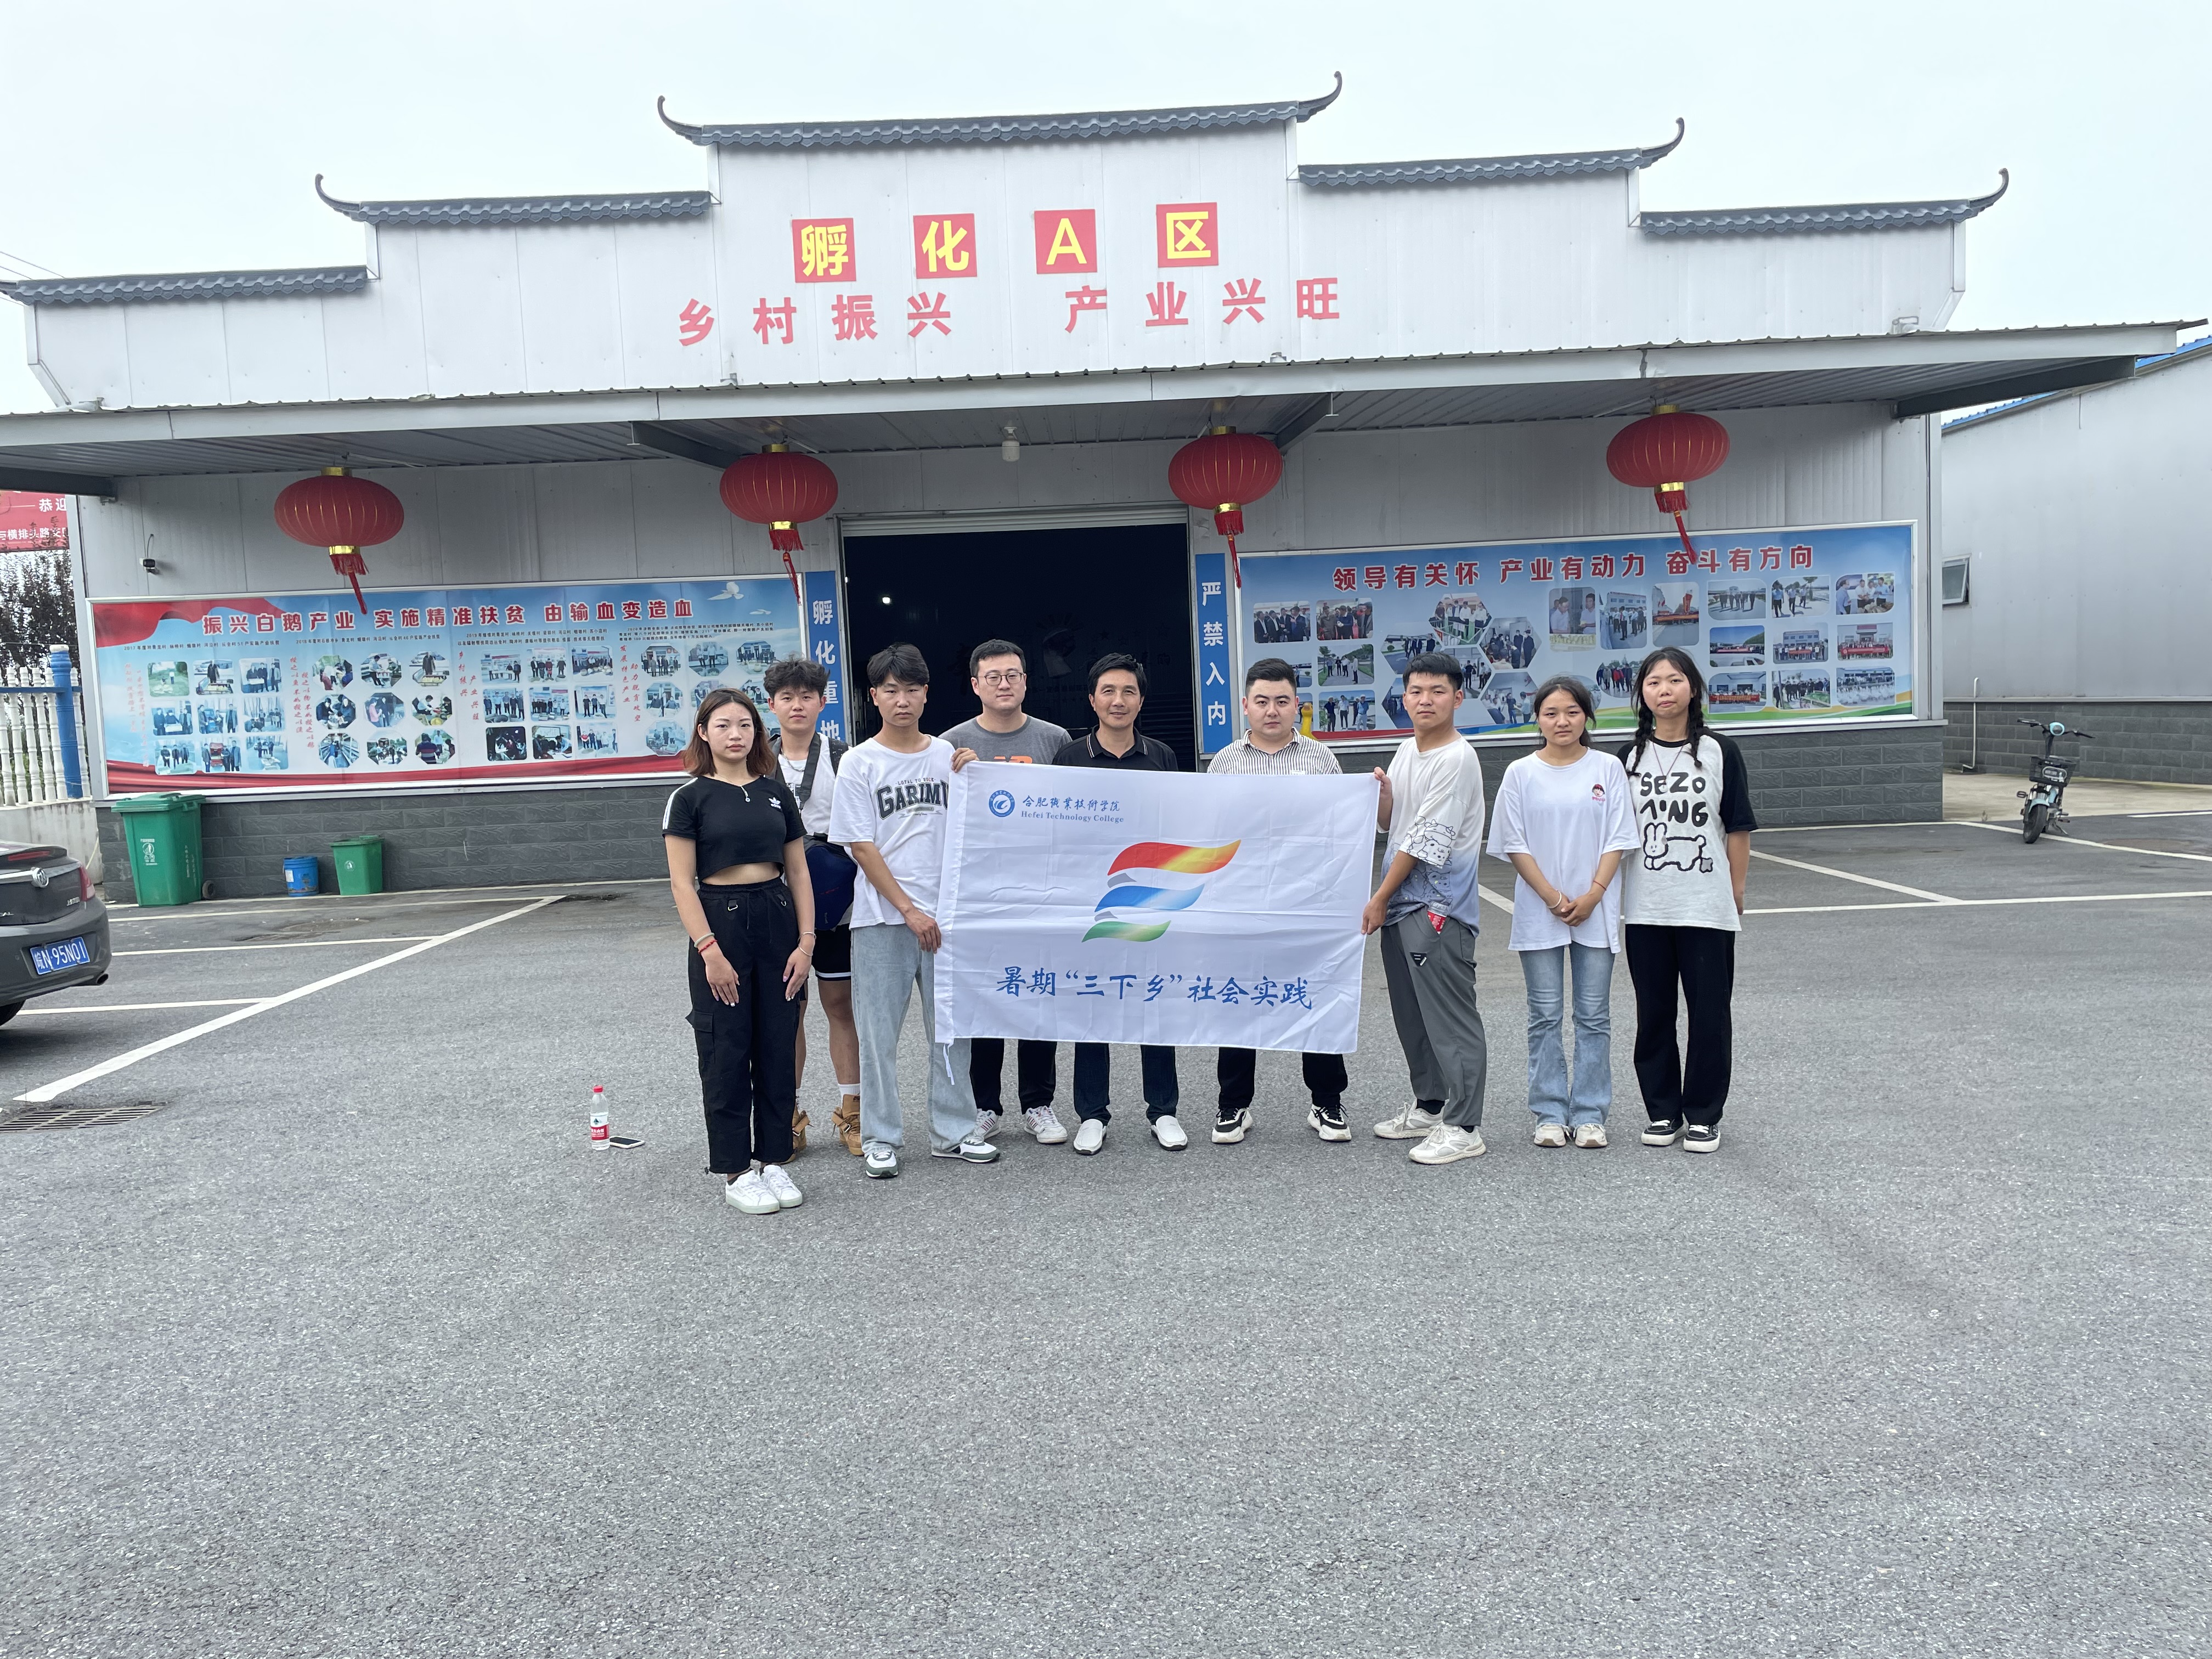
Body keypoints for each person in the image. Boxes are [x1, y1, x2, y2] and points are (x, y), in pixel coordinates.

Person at [827, 642, 999, 1179]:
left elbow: (978, 826)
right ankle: (880, 1137)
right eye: (890, 690)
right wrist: (908, 909)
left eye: (911, 690)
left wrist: (979, 775)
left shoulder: (949, 756)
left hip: (947, 918)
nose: (901, 700)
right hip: (883, 918)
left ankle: (954, 1132)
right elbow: (861, 845)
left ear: (927, 694)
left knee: (950, 1030)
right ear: (873, 697)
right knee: (878, 1035)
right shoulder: (859, 762)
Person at [662, 689, 817, 1216]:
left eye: (745, 725)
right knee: (726, 1049)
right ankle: (735, 1170)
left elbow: (798, 871)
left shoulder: (776, 793)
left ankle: (773, 1159)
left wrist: (806, 941)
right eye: (724, 725)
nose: (736, 734)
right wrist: (709, 950)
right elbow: (682, 884)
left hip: (777, 917)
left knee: (778, 1043)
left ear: (757, 732)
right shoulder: (689, 798)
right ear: (703, 732)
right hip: (719, 922)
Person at [1486, 675, 1639, 1150]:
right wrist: (1552, 897)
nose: (1562, 721)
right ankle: (1550, 1112)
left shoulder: (1607, 768)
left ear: (1586, 716)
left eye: (1572, 712)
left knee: (1593, 1016)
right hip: (1540, 911)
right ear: (1537, 719)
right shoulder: (1521, 773)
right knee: (1545, 1015)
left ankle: (1590, 1113)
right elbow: (1513, 842)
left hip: (1596, 908)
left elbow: (1618, 837)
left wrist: (1593, 895)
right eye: (1551, 713)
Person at [1615, 646, 1756, 1154]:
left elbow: (1737, 827)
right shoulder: (1626, 759)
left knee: (1709, 1014)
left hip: (1706, 906)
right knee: (1654, 1013)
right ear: (1642, 694)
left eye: (1674, 680)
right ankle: (1662, 1111)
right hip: (1646, 908)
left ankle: (1703, 1115)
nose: (1664, 690)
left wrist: (1735, 890)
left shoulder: (1720, 751)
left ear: (1692, 689)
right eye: (1654, 682)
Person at [1205, 656, 1352, 1144]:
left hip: (1308, 900)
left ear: (1297, 706)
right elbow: (1210, 831)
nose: (1272, 711)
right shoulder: (1225, 763)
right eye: (1262, 701)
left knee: (1317, 995)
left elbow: (1342, 828)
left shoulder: (1321, 760)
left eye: (1282, 701)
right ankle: (1233, 1105)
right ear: (1245, 705)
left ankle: (1327, 1101)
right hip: (1243, 901)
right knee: (1238, 999)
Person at [941, 638, 1073, 1147]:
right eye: (993, 676)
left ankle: (1038, 1103)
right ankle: (985, 1106)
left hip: (1042, 888)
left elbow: (1073, 811)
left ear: (1025, 682)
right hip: (980, 893)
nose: (1003, 684)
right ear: (975, 684)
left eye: (1012, 675)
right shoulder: (950, 744)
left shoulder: (1055, 740)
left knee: (1039, 992)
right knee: (986, 998)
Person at [1052, 652, 1184, 1155]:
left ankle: (1163, 1110)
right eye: (1108, 691)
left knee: (1154, 1001)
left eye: (1129, 691)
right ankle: (1092, 1114)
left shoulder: (1162, 755)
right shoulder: (1070, 757)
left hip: (1149, 898)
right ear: (1092, 699)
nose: (1118, 700)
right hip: (1090, 902)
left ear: (1141, 700)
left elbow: (1177, 825)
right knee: (1093, 1002)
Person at [1361, 652, 1489, 1166]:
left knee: (1450, 1020)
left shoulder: (1457, 759)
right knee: (1413, 1016)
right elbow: (1394, 824)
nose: (1425, 700)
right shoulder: (1406, 750)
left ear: (1458, 697)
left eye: (1438, 691)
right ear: (1404, 696)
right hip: (1401, 906)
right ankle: (1431, 1105)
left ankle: (1464, 1126)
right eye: (1416, 691)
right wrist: (1384, 795)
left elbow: (1424, 842)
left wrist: (1379, 897)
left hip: (1437, 907)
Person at [764, 656, 861, 1158]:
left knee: (840, 1006)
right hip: (778, 901)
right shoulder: (757, 761)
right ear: (772, 704)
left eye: (806, 696)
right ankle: (789, 1114)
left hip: (835, 899)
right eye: (787, 697)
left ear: (823, 702)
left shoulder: (846, 757)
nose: (797, 705)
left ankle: (853, 1111)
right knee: (790, 1011)